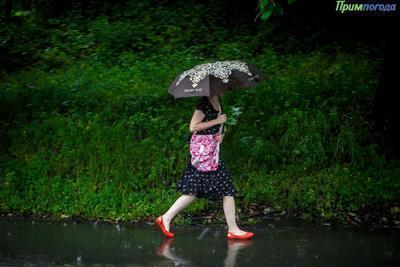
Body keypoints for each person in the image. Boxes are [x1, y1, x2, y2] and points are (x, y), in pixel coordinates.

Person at [155, 91, 254, 240]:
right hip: (203, 152)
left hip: (211, 151)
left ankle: (166, 217)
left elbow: (216, 126)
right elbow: (193, 127)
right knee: (217, 188)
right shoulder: (204, 103)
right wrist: (217, 121)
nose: (221, 87)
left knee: (204, 189)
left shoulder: (217, 100)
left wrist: (221, 135)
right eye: (218, 84)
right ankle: (232, 229)